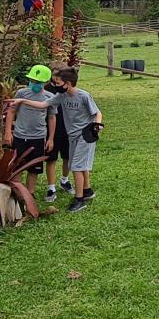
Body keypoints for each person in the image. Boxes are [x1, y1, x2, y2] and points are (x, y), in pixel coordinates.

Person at [3, 64, 56, 207]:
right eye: (32, 81)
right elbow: (11, 112)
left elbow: (51, 118)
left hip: (38, 137)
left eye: (38, 82)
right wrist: (8, 132)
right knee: (17, 166)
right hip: (20, 136)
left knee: (34, 168)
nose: (34, 84)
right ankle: (18, 193)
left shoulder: (49, 97)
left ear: (45, 83)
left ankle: (30, 193)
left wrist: (51, 138)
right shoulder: (21, 93)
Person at [49, 66, 102, 211]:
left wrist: (97, 128)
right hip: (72, 136)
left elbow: (98, 113)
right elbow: (43, 104)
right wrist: (22, 101)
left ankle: (79, 200)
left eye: (58, 83)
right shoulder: (62, 96)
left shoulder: (84, 96)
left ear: (68, 83)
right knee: (79, 164)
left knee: (76, 167)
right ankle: (87, 190)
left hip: (85, 135)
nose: (55, 85)